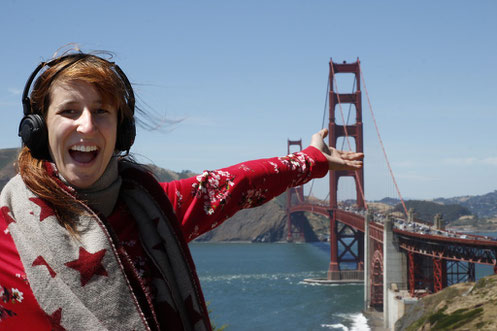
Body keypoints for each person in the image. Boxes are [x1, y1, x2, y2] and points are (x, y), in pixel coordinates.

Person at [0, 52, 363, 330]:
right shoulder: (6, 231)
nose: (87, 125)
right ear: (37, 128)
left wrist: (312, 159)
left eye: (101, 111)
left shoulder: (154, 212)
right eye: (68, 110)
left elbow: (238, 184)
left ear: (123, 131)